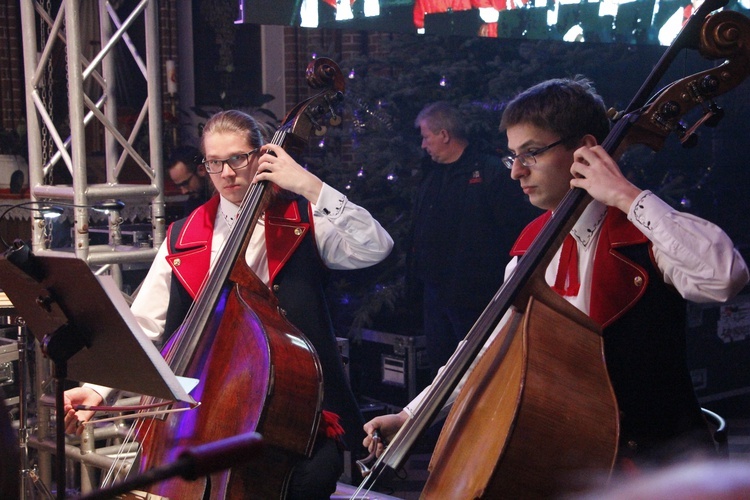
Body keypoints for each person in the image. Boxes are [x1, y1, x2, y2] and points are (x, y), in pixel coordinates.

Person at [364, 77, 749, 475]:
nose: (516, 172)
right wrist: (413, 415)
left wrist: (624, 195)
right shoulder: (528, 249)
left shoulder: (644, 232)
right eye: (512, 156)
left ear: (584, 150)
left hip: (659, 469)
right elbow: (483, 348)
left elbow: (723, 278)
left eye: (531, 153)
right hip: (571, 464)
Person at [64, 110, 394, 499]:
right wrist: (99, 390)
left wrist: (309, 185)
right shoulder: (186, 234)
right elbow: (143, 324)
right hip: (203, 407)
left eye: (238, 158)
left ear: (261, 156)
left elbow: (376, 245)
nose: (227, 172)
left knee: (314, 478)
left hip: (294, 405)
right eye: (214, 162)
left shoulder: (302, 218)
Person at [409, 101, 537, 377]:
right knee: (441, 368)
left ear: (444, 134)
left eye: (425, 136)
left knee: (479, 369)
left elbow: (515, 228)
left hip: (476, 295)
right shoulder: (432, 177)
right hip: (436, 293)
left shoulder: (490, 172)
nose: (423, 144)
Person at [167, 145, 211, 216]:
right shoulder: (192, 204)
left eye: (185, 183)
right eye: (179, 186)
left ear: (201, 170)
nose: (183, 191)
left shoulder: (225, 196)